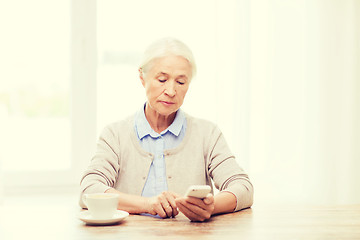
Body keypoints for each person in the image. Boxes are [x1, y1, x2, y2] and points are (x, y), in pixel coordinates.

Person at [79, 37, 253, 222]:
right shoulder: (115, 134)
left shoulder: (207, 133)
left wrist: (212, 207)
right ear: (142, 77)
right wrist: (147, 204)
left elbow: (243, 187)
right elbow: (89, 189)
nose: (171, 91)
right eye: (162, 79)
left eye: (180, 82)